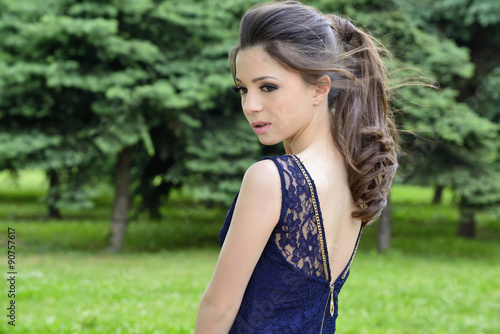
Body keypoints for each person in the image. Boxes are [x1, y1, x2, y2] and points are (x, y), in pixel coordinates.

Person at [195, 1, 399, 333]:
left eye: (268, 87)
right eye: (242, 89)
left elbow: (218, 308)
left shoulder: (272, 178)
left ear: (320, 88)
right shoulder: (354, 176)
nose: (251, 105)